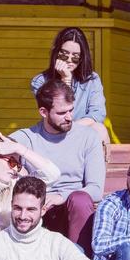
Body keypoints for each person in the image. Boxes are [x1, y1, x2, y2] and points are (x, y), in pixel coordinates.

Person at [8, 78, 105, 248]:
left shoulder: (88, 137)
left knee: (80, 200)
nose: (69, 117)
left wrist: (61, 196)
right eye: (61, 113)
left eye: (71, 110)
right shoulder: (27, 137)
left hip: (71, 208)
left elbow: (96, 190)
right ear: (44, 112)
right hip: (37, 209)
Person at [29, 27, 109, 148]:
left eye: (75, 56)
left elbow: (97, 114)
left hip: (82, 134)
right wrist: (65, 79)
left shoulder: (92, 80)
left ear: (82, 58)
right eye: (64, 55)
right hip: (54, 134)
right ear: (56, 53)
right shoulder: (40, 81)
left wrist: (72, 128)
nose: (70, 60)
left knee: (99, 129)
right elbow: (57, 116)